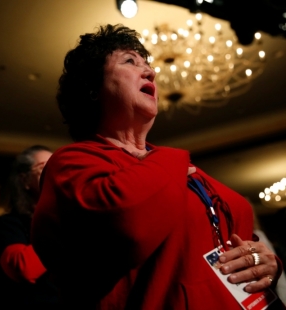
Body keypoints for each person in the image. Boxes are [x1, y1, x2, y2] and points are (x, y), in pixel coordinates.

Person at [31, 24, 285, 309]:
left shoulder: (179, 166)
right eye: (130, 61)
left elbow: (233, 232)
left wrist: (264, 263)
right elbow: (128, 226)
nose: (151, 72)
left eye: (147, 64)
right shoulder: (72, 162)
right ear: (92, 88)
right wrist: (170, 157)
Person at [0, 145, 60, 310]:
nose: (55, 172)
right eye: (45, 167)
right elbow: (23, 268)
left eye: (57, 166)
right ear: (25, 180)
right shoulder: (9, 224)